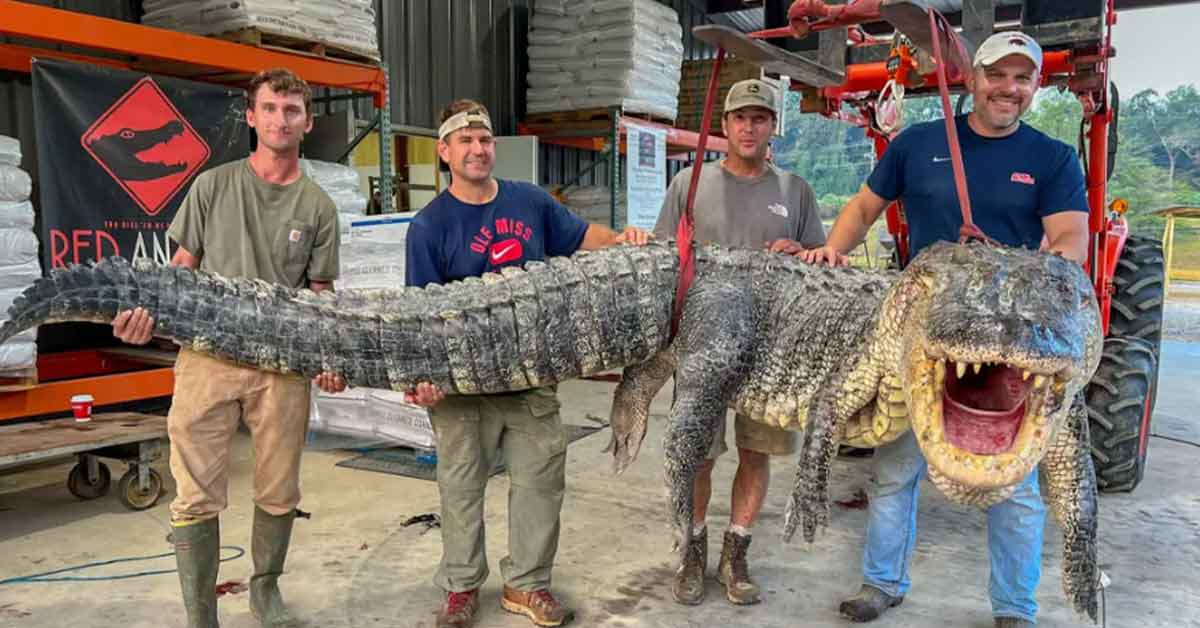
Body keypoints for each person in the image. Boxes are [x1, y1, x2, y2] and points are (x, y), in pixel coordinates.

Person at [799, 32, 1089, 628]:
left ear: (1035, 87)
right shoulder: (920, 143)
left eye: (1022, 79)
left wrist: (1052, 269)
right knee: (894, 468)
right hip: (926, 339)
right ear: (973, 79)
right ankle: (882, 583)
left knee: (1020, 488)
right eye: (998, 76)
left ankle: (1014, 608)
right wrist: (831, 248)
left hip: (1011, 343)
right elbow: (862, 207)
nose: (1009, 89)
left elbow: (1069, 240)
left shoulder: (1053, 158)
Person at [111, 68, 348, 628]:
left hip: (281, 366)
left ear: (307, 122)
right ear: (251, 116)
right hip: (207, 360)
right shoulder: (213, 186)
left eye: (292, 110)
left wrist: (330, 357)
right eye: (269, 108)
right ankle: (201, 614)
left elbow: (321, 297)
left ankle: (264, 590)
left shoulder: (318, 208)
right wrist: (147, 315)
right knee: (194, 492)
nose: (280, 119)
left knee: (279, 488)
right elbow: (179, 274)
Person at [404, 98, 651, 628]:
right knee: (461, 488)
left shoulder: (530, 201)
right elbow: (420, 315)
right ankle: (461, 586)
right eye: (465, 140)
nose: (477, 149)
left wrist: (625, 240)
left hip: (530, 377)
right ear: (444, 151)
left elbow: (585, 237)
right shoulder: (428, 227)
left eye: (485, 139)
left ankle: (527, 584)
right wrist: (425, 381)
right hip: (461, 388)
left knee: (541, 482)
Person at [653, 78, 827, 607]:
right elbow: (664, 260)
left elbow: (819, 262)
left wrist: (800, 250)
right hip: (701, 342)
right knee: (698, 454)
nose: (749, 127)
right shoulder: (689, 184)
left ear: (773, 126)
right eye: (739, 118)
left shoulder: (794, 190)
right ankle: (692, 549)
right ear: (724, 126)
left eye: (760, 117)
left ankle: (736, 551)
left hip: (770, 350)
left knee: (758, 452)